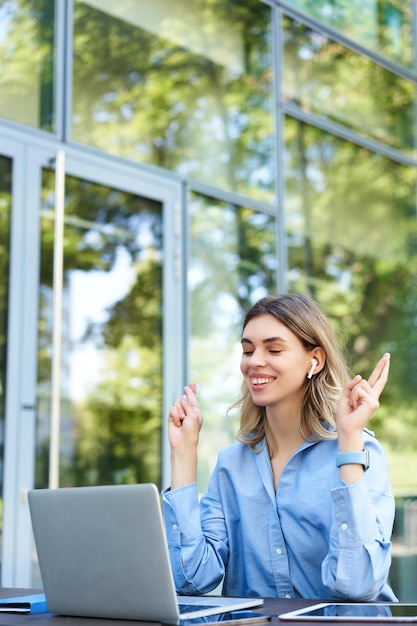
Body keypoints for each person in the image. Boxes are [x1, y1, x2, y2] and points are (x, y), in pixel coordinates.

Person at [162, 292, 397, 601]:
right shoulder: (231, 465)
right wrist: (183, 454)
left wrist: (349, 438)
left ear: (315, 359)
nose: (255, 361)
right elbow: (192, 580)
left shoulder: (359, 448)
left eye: (273, 349)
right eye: (248, 350)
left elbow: (357, 586)